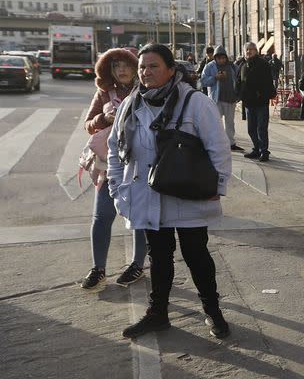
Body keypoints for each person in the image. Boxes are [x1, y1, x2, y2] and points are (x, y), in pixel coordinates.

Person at [107, 43, 232, 339]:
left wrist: (219, 185)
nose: (145, 72)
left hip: (188, 193)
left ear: (171, 70)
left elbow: (218, 145)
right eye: (142, 67)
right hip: (148, 195)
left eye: (153, 66)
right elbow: (115, 148)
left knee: (196, 255)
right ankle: (158, 313)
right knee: (159, 257)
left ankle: (212, 312)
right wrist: (115, 185)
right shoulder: (131, 104)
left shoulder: (195, 102)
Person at [80, 48, 147, 290]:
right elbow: (88, 123)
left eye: (126, 64)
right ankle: (98, 268)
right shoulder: (104, 92)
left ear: (135, 66)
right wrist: (104, 119)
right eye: (116, 65)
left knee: (140, 217)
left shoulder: (148, 90)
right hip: (110, 165)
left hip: (141, 164)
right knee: (101, 217)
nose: (121, 69)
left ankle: (137, 264)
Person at [238, 42, 276, 161]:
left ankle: (264, 151)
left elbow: (268, 82)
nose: (248, 52)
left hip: (260, 102)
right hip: (248, 103)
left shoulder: (262, 64)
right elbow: (239, 81)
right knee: (251, 129)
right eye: (247, 50)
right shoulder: (243, 65)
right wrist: (239, 94)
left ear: (256, 51)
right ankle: (256, 148)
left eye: (251, 49)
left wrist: (261, 94)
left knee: (261, 128)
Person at [201, 45, 243, 151]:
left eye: (223, 58)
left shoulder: (232, 66)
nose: (221, 60)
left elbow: (239, 80)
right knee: (215, 122)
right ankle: (215, 142)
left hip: (231, 98)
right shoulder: (210, 66)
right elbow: (203, 81)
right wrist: (215, 77)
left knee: (230, 122)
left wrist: (238, 95)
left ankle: (231, 143)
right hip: (216, 99)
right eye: (219, 58)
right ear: (215, 58)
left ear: (226, 57)